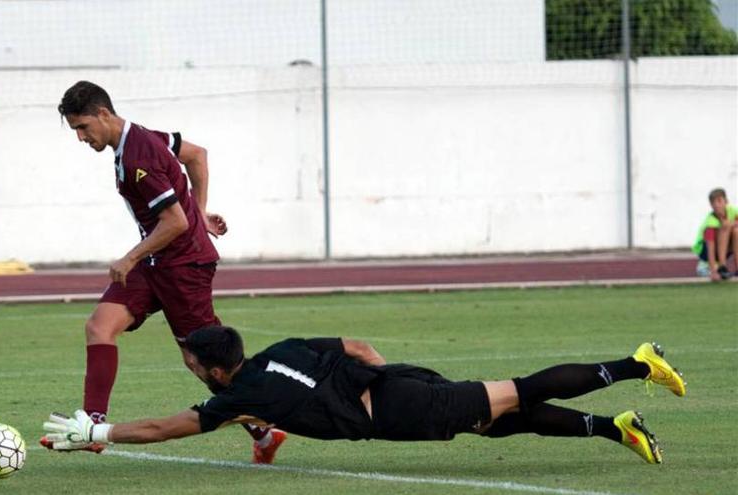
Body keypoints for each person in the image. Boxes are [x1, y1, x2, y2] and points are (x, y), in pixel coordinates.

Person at [42, 81, 284, 462]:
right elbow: (197, 155)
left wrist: (132, 256)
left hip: (183, 267)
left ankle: (264, 429)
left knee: (202, 360)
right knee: (99, 327)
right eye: (75, 130)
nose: (81, 137)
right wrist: (199, 213)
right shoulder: (142, 137)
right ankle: (91, 426)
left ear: (103, 114)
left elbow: (174, 222)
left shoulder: (139, 158)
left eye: (83, 127)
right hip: (157, 262)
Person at [43, 326, 686, 465]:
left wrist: (96, 433)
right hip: (402, 385)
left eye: (189, 360)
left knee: (517, 391)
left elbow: (162, 429)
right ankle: (614, 426)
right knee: (499, 421)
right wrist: (382, 378)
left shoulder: (236, 400)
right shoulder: (281, 350)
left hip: (402, 408)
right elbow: (354, 345)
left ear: (213, 369)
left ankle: (633, 364)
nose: (186, 365)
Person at [693, 188, 738, 281]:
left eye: (719, 201)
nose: (716, 205)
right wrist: (714, 271)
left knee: (736, 231)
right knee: (725, 227)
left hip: (722, 249)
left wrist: (731, 224)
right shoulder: (710, 223)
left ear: (726, 201)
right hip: (707, 258)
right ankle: (722, 267)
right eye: (713, 203)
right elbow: (710, 248)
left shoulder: (733, 211)